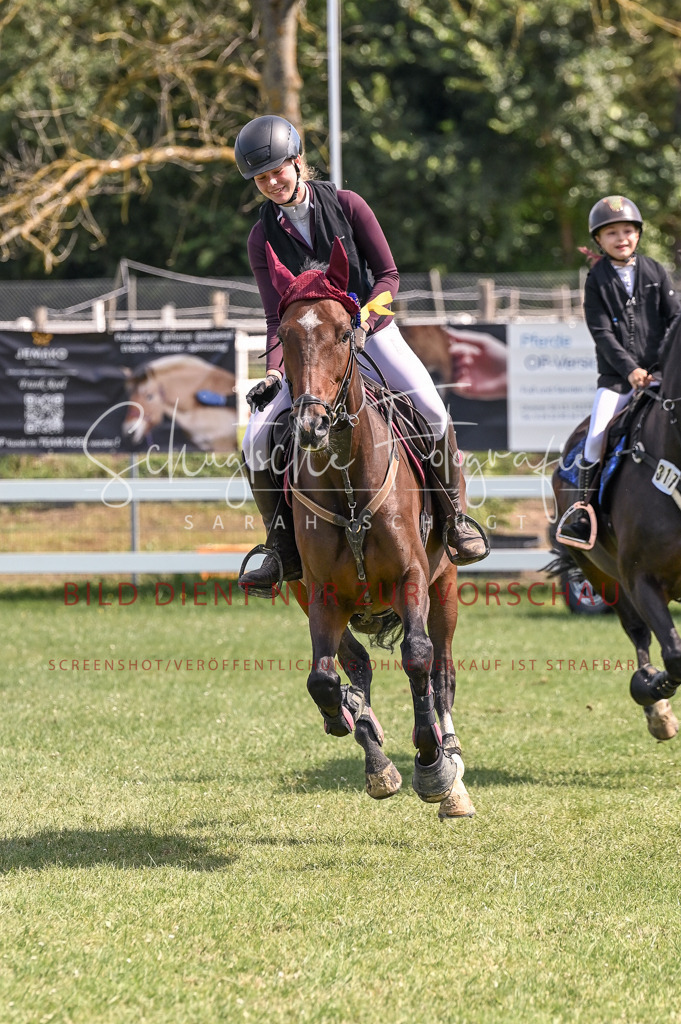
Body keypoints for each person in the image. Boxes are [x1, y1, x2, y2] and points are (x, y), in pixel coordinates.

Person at [233, 114, 487, 590]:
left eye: (277, 170)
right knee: (254, 439)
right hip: (310, 351)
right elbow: (275, 318)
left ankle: (455, 519)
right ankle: (281, 544)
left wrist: (366, 317)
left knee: (431, 409)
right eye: (260, 177)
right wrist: (271, 372)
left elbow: (389, 275)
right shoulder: (261, 236)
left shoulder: (347, 205)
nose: (270, 182)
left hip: (372, 334)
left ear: (297, 162)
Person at [559, 194, 681, 544]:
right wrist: (630, 371)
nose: (621, 238)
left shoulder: (656, 271)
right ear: (598, 240)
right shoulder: (596, 279)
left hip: (660, 377)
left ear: (638, 235)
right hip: (617, 382)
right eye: (612, 233)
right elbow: (601, 334)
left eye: (628, 230)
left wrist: (661, 368)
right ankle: (583, 510)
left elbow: (674, 321)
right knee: (596, 435)